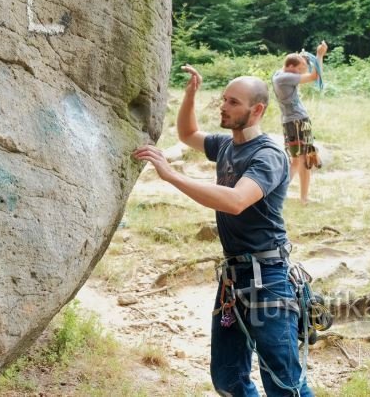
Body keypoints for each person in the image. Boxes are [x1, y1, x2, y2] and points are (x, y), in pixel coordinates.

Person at [133, 65, 313, 397]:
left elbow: (235, 201)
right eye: (224, 99)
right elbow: (188, 134)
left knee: (284, 381)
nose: (224, 107)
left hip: (268, 278)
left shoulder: (268, 154)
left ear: (256, 110)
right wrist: (190, 93)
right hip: (233, 277)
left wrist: (171, 176)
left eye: (233, 102)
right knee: (228, 378)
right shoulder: (227, 145)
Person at [272, 41, 328, 203]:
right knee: (297, 160)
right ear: (290, 67)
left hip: (296, 121)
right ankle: (277, 194)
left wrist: (303, 59)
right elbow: (315, 76)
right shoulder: (285, 78)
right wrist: (319, 55)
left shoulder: (278, 74)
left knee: (305, 159)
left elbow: (302, 68)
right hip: (295, 122)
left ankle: (304, 198)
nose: (302, 71)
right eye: (300, 68)